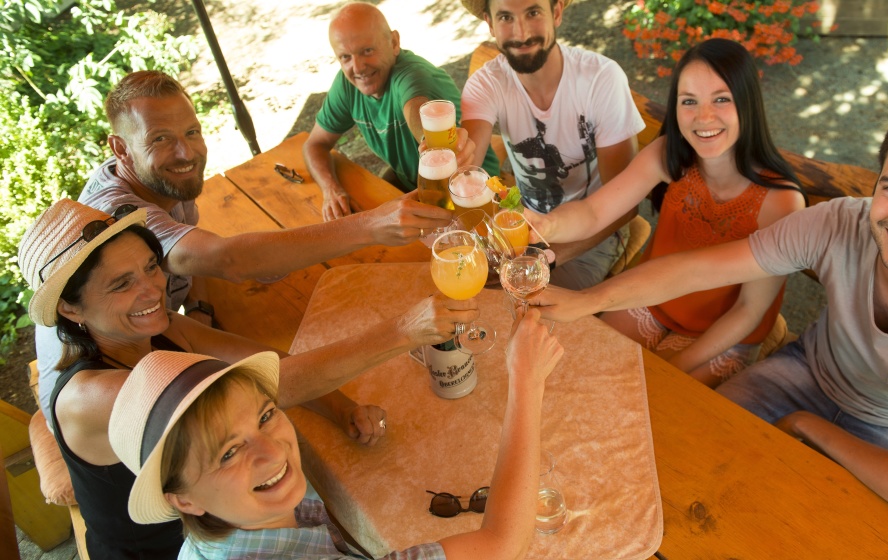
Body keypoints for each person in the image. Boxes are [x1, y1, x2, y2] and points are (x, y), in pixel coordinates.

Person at [534, 102, 888, 526]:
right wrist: (587, 302)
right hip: (803, 373)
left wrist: (806, 425)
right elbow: (698, 269)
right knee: (662, 463)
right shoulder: (841, 222)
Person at [17, 199, 472, 557]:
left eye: (151, 267)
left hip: (222, 517)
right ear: (71, 309)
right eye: (121, 284)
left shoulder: (157, 328)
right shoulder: (90, 394)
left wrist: (341, 408)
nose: (151, 290)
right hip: (171, 548)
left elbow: (262, 362)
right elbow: (260, 391)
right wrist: (402, 330)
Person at [33, 69, 455, 426]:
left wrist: (198, 307)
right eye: (160, 138)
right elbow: (227, 259)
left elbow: (197, 261)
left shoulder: (164, 180)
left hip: (153, 335)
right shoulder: (115, 218)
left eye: (192, 132)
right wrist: (370, 225)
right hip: (114, 375)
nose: (186, 152)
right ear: (120, 148)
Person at [109, 307, 562, 559]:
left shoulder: (222, 531)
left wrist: (341, 407)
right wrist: (526, 379)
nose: (273, 451)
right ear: (183, 499)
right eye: (228, 452)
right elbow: (501, 542)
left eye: (266, 415)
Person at [527, 39, 807, 386]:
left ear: (748, 103)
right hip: (649, 300)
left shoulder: (781, 202)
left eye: (721, 99)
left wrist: (675, 366)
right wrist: (546, 224)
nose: (704, 118)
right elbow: (595, 213)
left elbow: (748, 311)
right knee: (581, 374)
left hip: (721, 332)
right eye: (689, 101)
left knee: (659, 403)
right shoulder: (668, 155)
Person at [460, 0, 646, 290]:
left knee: (527, 305)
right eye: (506, 17)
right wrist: (452, 159)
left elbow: (625, 206)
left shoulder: (600, 79)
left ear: (556, 13)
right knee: (472, 291)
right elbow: (466, 162)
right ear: (490, 24)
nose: (520, 33)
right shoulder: (487, 83)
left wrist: (547, 258)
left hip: (593, 234)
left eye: (532, 13)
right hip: (524, 223)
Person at [303, 2, 501, 220]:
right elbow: (314, 144)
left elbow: (416, 106)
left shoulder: (412, 75)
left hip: (470, 191)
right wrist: (331, 190)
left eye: (367, 51)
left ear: (394, 42)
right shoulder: (347, 84)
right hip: (412, 183)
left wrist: (429, 141)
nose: (358, 68)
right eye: (345, 57)